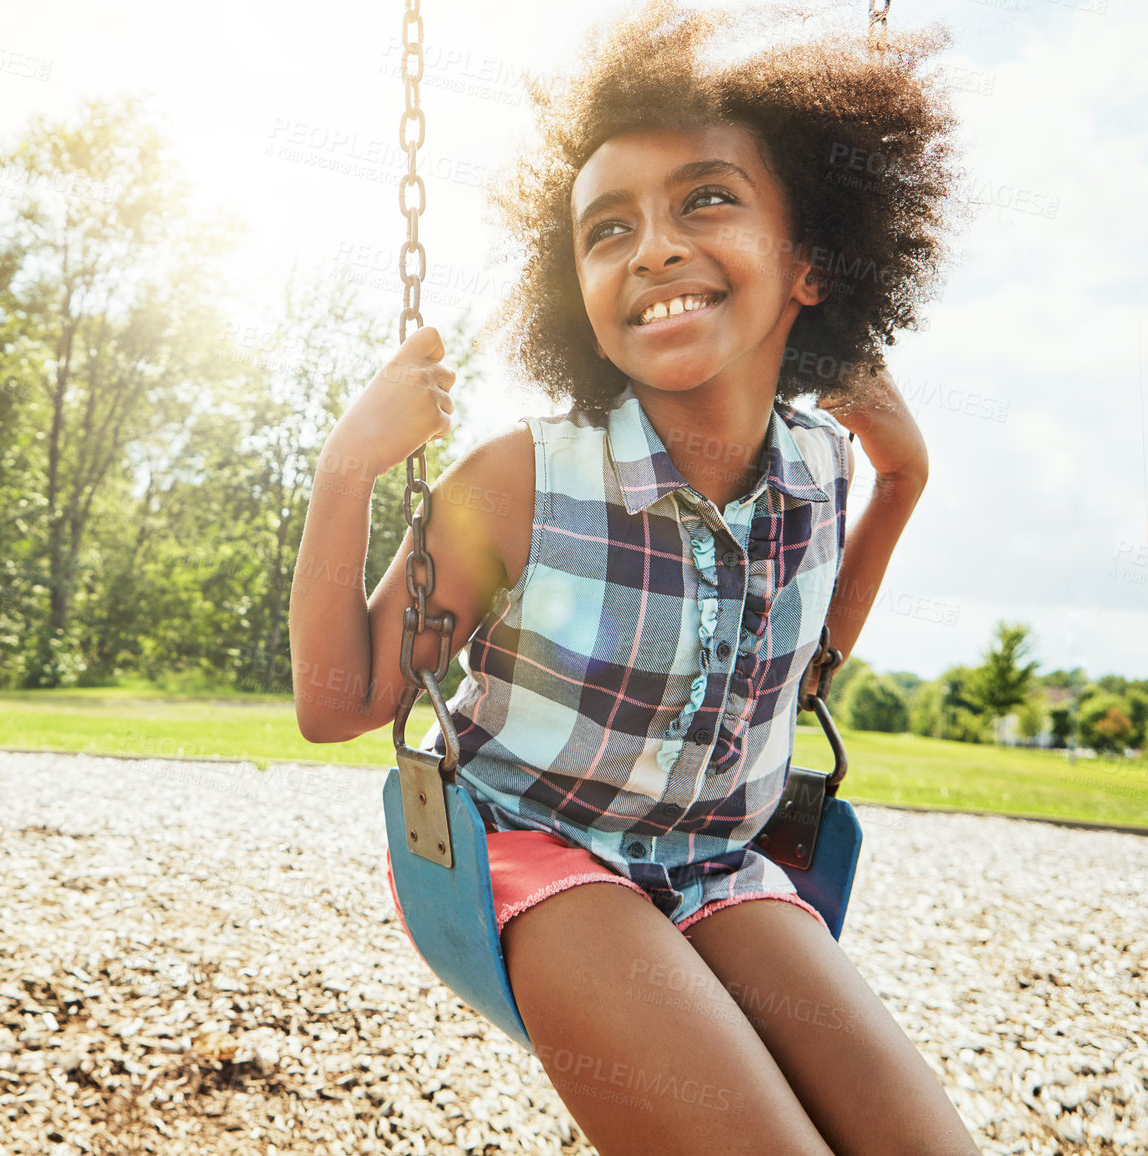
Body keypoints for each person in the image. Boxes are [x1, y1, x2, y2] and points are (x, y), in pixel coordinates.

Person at [287, 0, 981, 1151]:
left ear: (811, 262)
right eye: (607, 228)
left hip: (717, 865)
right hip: (535, 852)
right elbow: (335, 703)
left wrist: (902, 475)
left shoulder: (819, 467)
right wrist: (346, 470)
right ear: (581, 297)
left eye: (707, 198)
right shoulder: (521, 479)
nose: (652, 245)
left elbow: (799, 669)